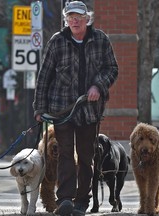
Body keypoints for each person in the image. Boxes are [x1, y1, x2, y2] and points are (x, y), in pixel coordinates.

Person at [33, 1, 118, 216]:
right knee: (65, 155)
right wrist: (39, 108)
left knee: (86, 156)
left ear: (87, 19)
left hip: (89, 110)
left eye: (79, 17)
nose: (75, 20)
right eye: (70, 17)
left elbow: (112, 68)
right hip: (62, 109)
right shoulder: (57, 41)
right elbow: (44, 76)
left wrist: (98, 85)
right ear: (66, 20)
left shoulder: (100, 40)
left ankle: (82, 202)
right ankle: (65, 200)